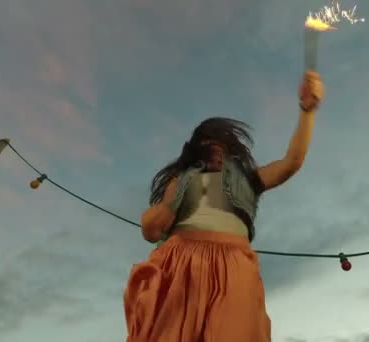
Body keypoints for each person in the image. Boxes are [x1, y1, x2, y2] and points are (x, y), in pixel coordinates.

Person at [123, 70, 324, 342]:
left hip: (235, 264)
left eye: (222, 147)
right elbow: (151, 230)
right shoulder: (181, 179)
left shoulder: (249, 180)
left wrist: (307, 110)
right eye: (208, 146)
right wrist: (166, 206)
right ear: (196, 151)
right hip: (181, 262)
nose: (216, 151)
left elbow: (292, 162)